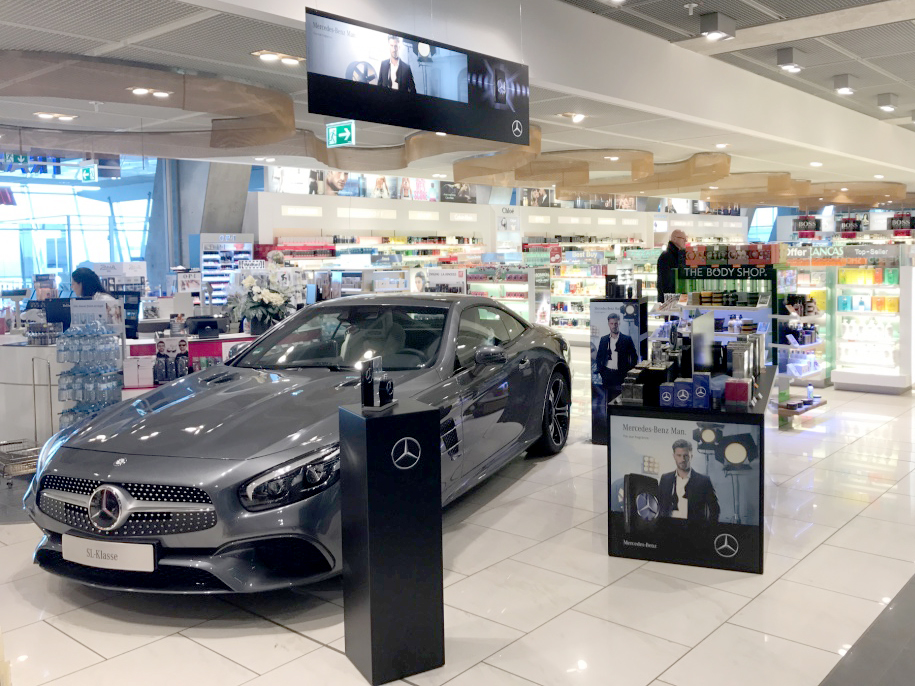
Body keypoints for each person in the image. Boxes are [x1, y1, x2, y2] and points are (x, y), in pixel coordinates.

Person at [658, 439, 720, 524]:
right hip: (668, 529)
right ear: (674, 456)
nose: (682, 459)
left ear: (691, 456)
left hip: (693, 531)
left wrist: (707, 531)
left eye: (686, 455)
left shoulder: (703, 481)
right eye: (679, 455)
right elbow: (659, 505)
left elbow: (715, 509)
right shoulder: (665, 478)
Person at [595, 312, 638, 401]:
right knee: (607, 400)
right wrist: (602, 371)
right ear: (608, 324)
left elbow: (634, 356)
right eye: (611, 324)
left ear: (619, 323)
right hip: (607, 375)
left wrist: (629, 371)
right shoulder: (604, 339)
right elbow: (599, 357)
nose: (614, 326)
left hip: (621, 375)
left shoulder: (626, 339)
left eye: (616, 323)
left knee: (621, 400)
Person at [657, 229, 687, 303]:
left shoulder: (678, 255)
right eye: (683, 239)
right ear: (674, 239)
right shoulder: (666, 257)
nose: (685, 241)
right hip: (671, 302)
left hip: (677, 300)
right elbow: (667, 283)